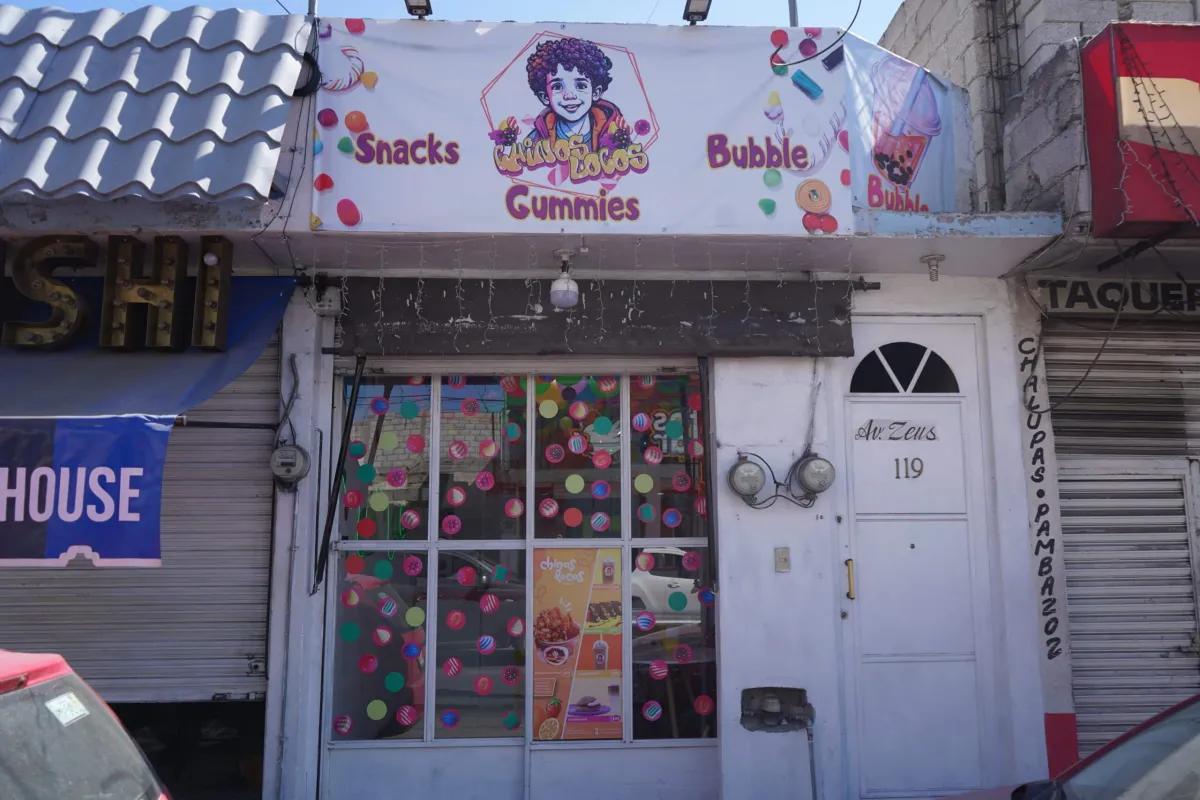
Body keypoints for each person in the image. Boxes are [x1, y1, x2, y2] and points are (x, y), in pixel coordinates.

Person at [524, 38, 624, 153]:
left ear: (596, 93)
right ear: (545, 97)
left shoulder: (615, 136)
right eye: (557, 87)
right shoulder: (535, 141)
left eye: (581, 86)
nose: (570, 95)